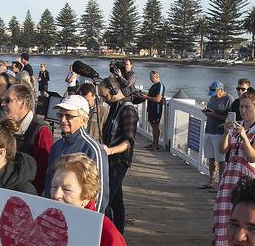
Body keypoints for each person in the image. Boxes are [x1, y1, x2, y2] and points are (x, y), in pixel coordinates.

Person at [211, 90, 255, 245]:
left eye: (247, 107)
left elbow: (253, 156)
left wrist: (244, 136)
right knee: (224, 217)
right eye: (241, 107)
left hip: (249, 178)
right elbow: (222, 149)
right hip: (230, 177)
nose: (243, 111)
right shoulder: (237, 126)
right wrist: (225, 133)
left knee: (247, 217)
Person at [45, 94, 108, 210]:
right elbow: (49, 181)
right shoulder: (57, 146)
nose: (63, 120)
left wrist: (92, 223)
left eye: (69, 116)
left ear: (83, 119)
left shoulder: (93, 149)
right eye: (60, 115)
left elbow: (99, 195)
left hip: (79, 215)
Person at [100, 77, 138, 232]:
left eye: (105, 96)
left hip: (119, 161)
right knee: (116, 199)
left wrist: (110, 150)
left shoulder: (128, 110)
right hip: (110, 158)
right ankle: (119, 232)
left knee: (107, 198)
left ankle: (109, 234)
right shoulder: (115, 106)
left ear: (114, 90)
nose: (104, 99)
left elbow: (129, 140)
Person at [3, 83, 52, 194]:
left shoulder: (41, 130)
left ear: (22, 104)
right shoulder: (8, 126)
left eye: (8, 100)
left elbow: (42, 172)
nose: (3, 104)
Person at [202, 81, 231, 189]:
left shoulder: (229, 99)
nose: (214, 95)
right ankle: (211, 181)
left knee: (221, 159)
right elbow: (211, 108)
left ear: (221, 90)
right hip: (209, 129)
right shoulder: (213, 98)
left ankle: (221, 183)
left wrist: (214, 114)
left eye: (215, 93)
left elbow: (229, 118)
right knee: (211, 157)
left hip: (219, 132)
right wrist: (207, 111)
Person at [145, 70, 165, 151]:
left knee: (156, 126)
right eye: (150, 77)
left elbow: (158, 99)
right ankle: (153, 143)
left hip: (156, 109)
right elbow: (150, 96)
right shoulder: (153, 86)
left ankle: (156, 145)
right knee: (153, 126)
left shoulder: (160, 85)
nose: (150, 79)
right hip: (151, 109)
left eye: (152, 77)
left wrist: (146, 97)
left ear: (157, 77)